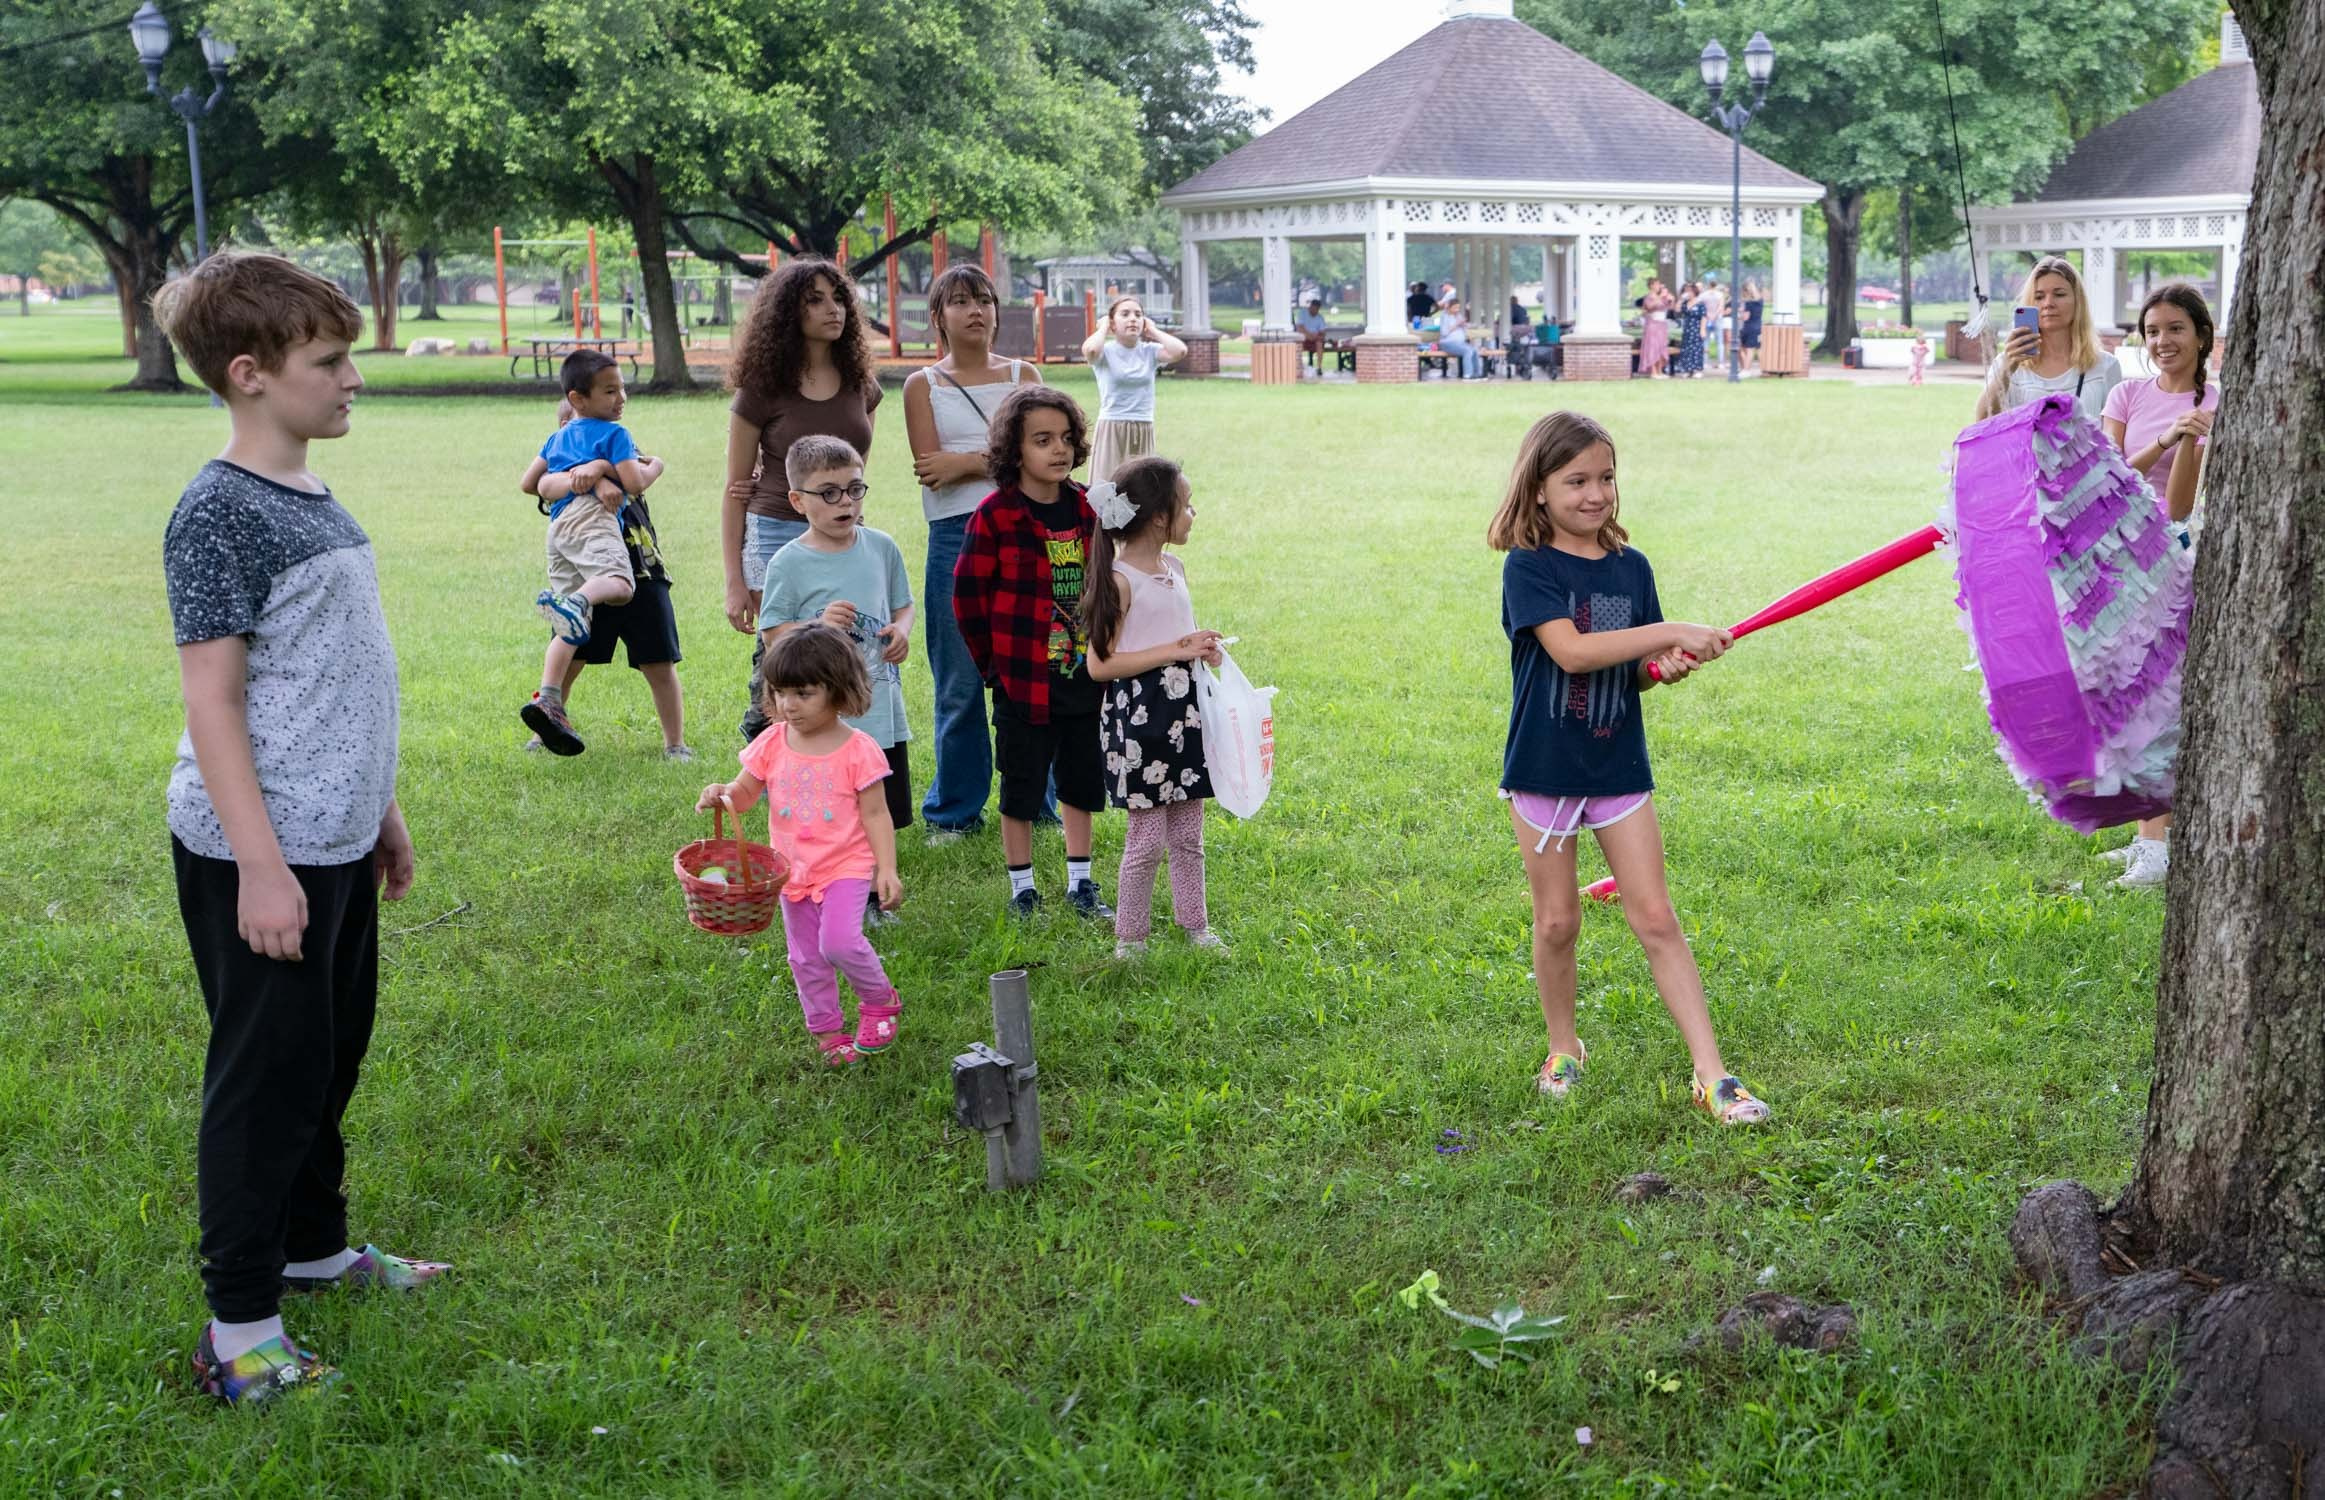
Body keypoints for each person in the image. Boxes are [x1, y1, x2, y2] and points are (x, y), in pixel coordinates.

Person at [151, 251, 445, 1406]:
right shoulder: (220, 508)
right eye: (328, 361)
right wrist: (262, 873)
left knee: (327, 1055)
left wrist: (381, 808)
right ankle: (238, 1332)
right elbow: (212, 698)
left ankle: (315, 1249)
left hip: (335, 839)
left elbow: (338, 679)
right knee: (263, 1078)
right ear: (250, 375)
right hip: (256, 855)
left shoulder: (310, 489)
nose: (353, 378)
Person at [1487, 409, 1771, 1125]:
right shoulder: (1529, 567)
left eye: (1605, 478)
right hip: (1545, 769)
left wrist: (1659, 667)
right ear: (1540, 489)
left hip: (1617, 764)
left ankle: (1710, 1073)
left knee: (1655, 916)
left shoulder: (1629, 567)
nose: (1594, 494)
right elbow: (1574, 652)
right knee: (1556, 922)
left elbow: (1630, 668)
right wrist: (1675, 630)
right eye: (1575, 480)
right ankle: (1562, 1046)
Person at [697, 627, 903, 1067]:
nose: (789, 705)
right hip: (792, 871)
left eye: (804, 693)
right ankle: (828, 1031)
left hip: (846, 865)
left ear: (838, 691)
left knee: (840, 943)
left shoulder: (859, 750)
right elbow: (747, 792)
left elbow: (876, 815)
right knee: (805, 956)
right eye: (781, 692)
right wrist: (723, 792)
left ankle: (879, 1000)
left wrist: (886, 870)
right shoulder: (772, 741)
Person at [952, 385, 1114, 920]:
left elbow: (1115, 584)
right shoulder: (995, 515)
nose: (1058, 450)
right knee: (1020, 783)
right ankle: (1023, 887)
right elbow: (968, 598)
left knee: (1081, 778)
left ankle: (1081, 882)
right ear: (1014, 449)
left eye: (1066, 438)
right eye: (1042, 439)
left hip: (1086, 676)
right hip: (1022, 678)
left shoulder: (1091, 508)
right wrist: (994, 669)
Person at [903, 264, 1043, 842]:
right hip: (955, 537)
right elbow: (930, 472)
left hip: (1027, 532)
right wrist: (1004, 458)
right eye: (959, 302)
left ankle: (1040, 799)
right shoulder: (922, 385)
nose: (975, 311)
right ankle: (956, 809)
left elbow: (1046, 457)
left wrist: (966, 462)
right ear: (939, 317)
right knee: (958, 680)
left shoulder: (1024, 374)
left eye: (983, 299)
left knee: (1034, 675)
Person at [724, 258, 883, 742]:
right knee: (783, 650)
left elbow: (858, 470)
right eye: (815, 300)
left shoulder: (861, 384)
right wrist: (735, 581)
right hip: (776, 529)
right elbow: (735, 490)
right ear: (788, 313)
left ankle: (838, 758)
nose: (832, 310)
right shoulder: (761, 389)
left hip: (842, 530)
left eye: (838, 298)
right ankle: (765, 741)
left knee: (841, 643)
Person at [2097, 283, 2218, 891]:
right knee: (2123, 700)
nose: (2163, 341)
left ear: (2201, 334)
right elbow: (2105, 478)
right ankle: (2149, 836)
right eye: (2152, 331)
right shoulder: (2127, 392)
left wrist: (2193, 438)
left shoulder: (2217, 403)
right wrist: (2167, 439)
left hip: (2172, 565)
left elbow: (2177, 509)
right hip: (2115, 563)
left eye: (2175, 328)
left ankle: (2155, 852)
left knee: (2157, 704)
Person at [1082, 457, 1227, 959]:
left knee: (1190, 833)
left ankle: (1196, 927)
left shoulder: (1175, 569)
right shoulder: (1120, 580)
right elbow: (1100, 666)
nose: (1192, 514)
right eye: (1187, 506)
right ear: (1161, 518)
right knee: (1145, 841)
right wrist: (1175, 651)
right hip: (1142, 722)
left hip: (1185, 718)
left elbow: (1175, 638)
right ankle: (1130, 938)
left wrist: (1200, 647)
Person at [757, 436, 918, 871]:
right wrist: (817, 625)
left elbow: (904, 604)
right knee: (835, 810)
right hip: (828, 719)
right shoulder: (788, 563)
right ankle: (836, 883)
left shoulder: (881, 547)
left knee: (877, 806)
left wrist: (901, 630)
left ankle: (874, 887)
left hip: (878, 708)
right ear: (797, 500)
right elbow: (772, 631)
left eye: (854, 488)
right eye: (828, 493)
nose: (844, 501)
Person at [523, 401, 690, 759]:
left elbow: (635, 474)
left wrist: (599, 472)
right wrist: (591, 478)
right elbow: (540, 484)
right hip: (589, 574)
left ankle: (675, 743)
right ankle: (543, 727)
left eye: (576, 421)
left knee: (658, 659)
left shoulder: (620, 448)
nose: (571, 429)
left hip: (641, 569)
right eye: (564, 423)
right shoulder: (561, 464)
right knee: (573, 652)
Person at [1973, 254, 2122, 423]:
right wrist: (2007, 367)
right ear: (2029, 303)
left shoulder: (2106, 366)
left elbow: (2114, 439)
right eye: (2039, 297)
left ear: (2077, 301)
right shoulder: (2007, 364)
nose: (2048, 303)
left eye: (2059, 294)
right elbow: (1982, 421)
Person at [1079, 294, 1188, 480]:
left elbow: (1180, 351)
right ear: (1113, 323)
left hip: (1143, 425)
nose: (1133, 319)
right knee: (1107, 487)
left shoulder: (1149, 351)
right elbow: (1090, 350)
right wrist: (1104, 327)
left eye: (1138, 315)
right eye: (1125, 314)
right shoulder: (1105, 352)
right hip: (1113, 426)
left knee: (1142, 491)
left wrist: (1153, 330)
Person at [1436, 297, 1482, 380]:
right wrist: (1457, 324)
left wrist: (1466, 325)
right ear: (1449, 307)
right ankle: (1467, 375)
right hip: (1447, 343)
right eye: (1455, 308)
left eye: (1458, 308)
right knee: (1467, 351)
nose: (1457, 310)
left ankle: (1477, 373)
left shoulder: (1458, 316)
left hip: (1460, 343)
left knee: (1474, 350)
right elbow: (1444, 332)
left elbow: (1464, 328)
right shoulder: (1445, 316)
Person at [1639, 280, 1673, 377]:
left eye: (1659, 284)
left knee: (1661, 347)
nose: (1659, 286)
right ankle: (1653, 371)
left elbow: (1670, 308)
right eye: (1657, 284)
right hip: (1652, 324)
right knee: (1653, 347)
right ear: (1651, 286)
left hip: (1662, 324)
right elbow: (1649, 307)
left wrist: (1670, 299)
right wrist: (1660, 296)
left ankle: (1660, 371)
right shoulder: (1649, 297)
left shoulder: (1661, 296)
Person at [1672, 282, 1706, 378]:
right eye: (1686, 291)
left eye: (1690, 291)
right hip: (1687, 329)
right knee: (1686, 349)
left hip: (1696, 328)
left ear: (1694, 292)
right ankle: (1687, 369)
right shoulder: (1685, 303)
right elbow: (1677, 310)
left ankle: (1697, 369)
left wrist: (1702, 330)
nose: (1688, 293)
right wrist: (1680, 299)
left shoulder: (1700, 304)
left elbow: (1703, 317)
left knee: (1696, 349)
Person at [1295, 297, 1330, 374]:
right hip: (1303, 338)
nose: (1315, 311)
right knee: (1299, 342)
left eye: (1317, 309)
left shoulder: (1320, 318)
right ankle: (1298, 367)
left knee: (1320, 343)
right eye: (1314, 308)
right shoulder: (1303, 313)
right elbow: (1300, 328)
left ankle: (1319, 367)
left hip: (1315, 339)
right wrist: (1309, 335)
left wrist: (1317, 335)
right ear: (1310, 306)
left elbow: (1323, 332)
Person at [1738, 280, 1764, 375]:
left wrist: (1738, 315)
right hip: (1758, 326)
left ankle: (1746, 370)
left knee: (1749, 349)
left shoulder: (1749, 303)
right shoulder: (1760, 300)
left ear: (1746, 291)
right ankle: (1764, 369)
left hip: (1749, 327)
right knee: (1758, 348)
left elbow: (1746, 317)